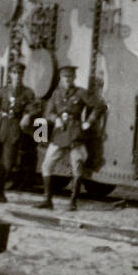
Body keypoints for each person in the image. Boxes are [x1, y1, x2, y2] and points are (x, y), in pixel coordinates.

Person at [38, 64, 92, 211]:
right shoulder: (56, 94)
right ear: (60, 79)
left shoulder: (81, 93)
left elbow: (99, 106)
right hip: (60, 134)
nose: (67, 79)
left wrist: (89, 122)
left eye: (70, 77)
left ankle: (73, 203)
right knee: (46, 165)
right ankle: (47, 200)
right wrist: (55, 118)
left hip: (75, 134)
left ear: (74, 78)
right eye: (64, 77)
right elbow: (47, 113)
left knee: (77, 167)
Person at [0, 61, 36, 202]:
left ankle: (0, 190)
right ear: (10, 75)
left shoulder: (28, 92)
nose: (17, 76)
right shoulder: (3, 90)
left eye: (20, 73)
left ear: (23, 75)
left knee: (8, 163)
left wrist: (27, 115)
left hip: (13, 129)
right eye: (14, 73)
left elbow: (34, 107)